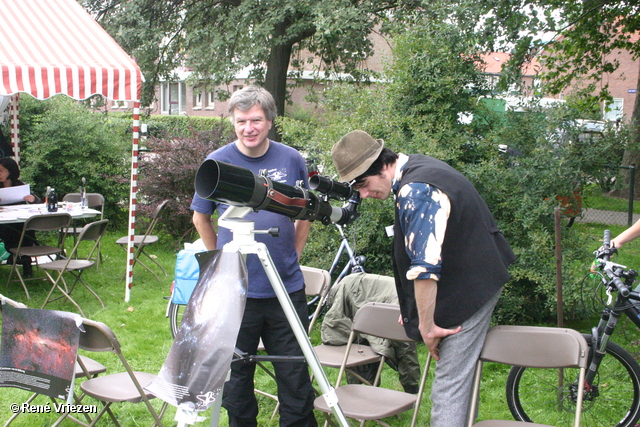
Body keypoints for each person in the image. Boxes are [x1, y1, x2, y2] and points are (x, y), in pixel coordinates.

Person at [330, 130, 516, 427]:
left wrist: (428, 327)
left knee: (449, 384)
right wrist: (413, 311)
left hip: (470, 289)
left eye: (363, 184)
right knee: (459, 377)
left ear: (382, 164)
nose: (363, 195)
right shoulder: (415, 169)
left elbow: (425, 269)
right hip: (466, 280)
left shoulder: (416, 190)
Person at [190, 85, 316, 427]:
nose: (249, 128)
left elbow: (304, 213)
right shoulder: (217, 162)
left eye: (256, 120)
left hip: (285, 288)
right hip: (237, 289)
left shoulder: (291, 159)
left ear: (270, 121)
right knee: (236, 376)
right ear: (233, 121)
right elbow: (200, 216)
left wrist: (294, 254)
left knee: (294, 373)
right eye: (241, 120)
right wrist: (221, 261)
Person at [0, 157, 42, 277]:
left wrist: (33, 199)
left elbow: (38, 200)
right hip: (2, 223)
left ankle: (24, 261)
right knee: (11, 230)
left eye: (2, 171)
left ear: (10, 172)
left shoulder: (19, 185)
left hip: (18, 221)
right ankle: (15, 254)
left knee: (25, 228)